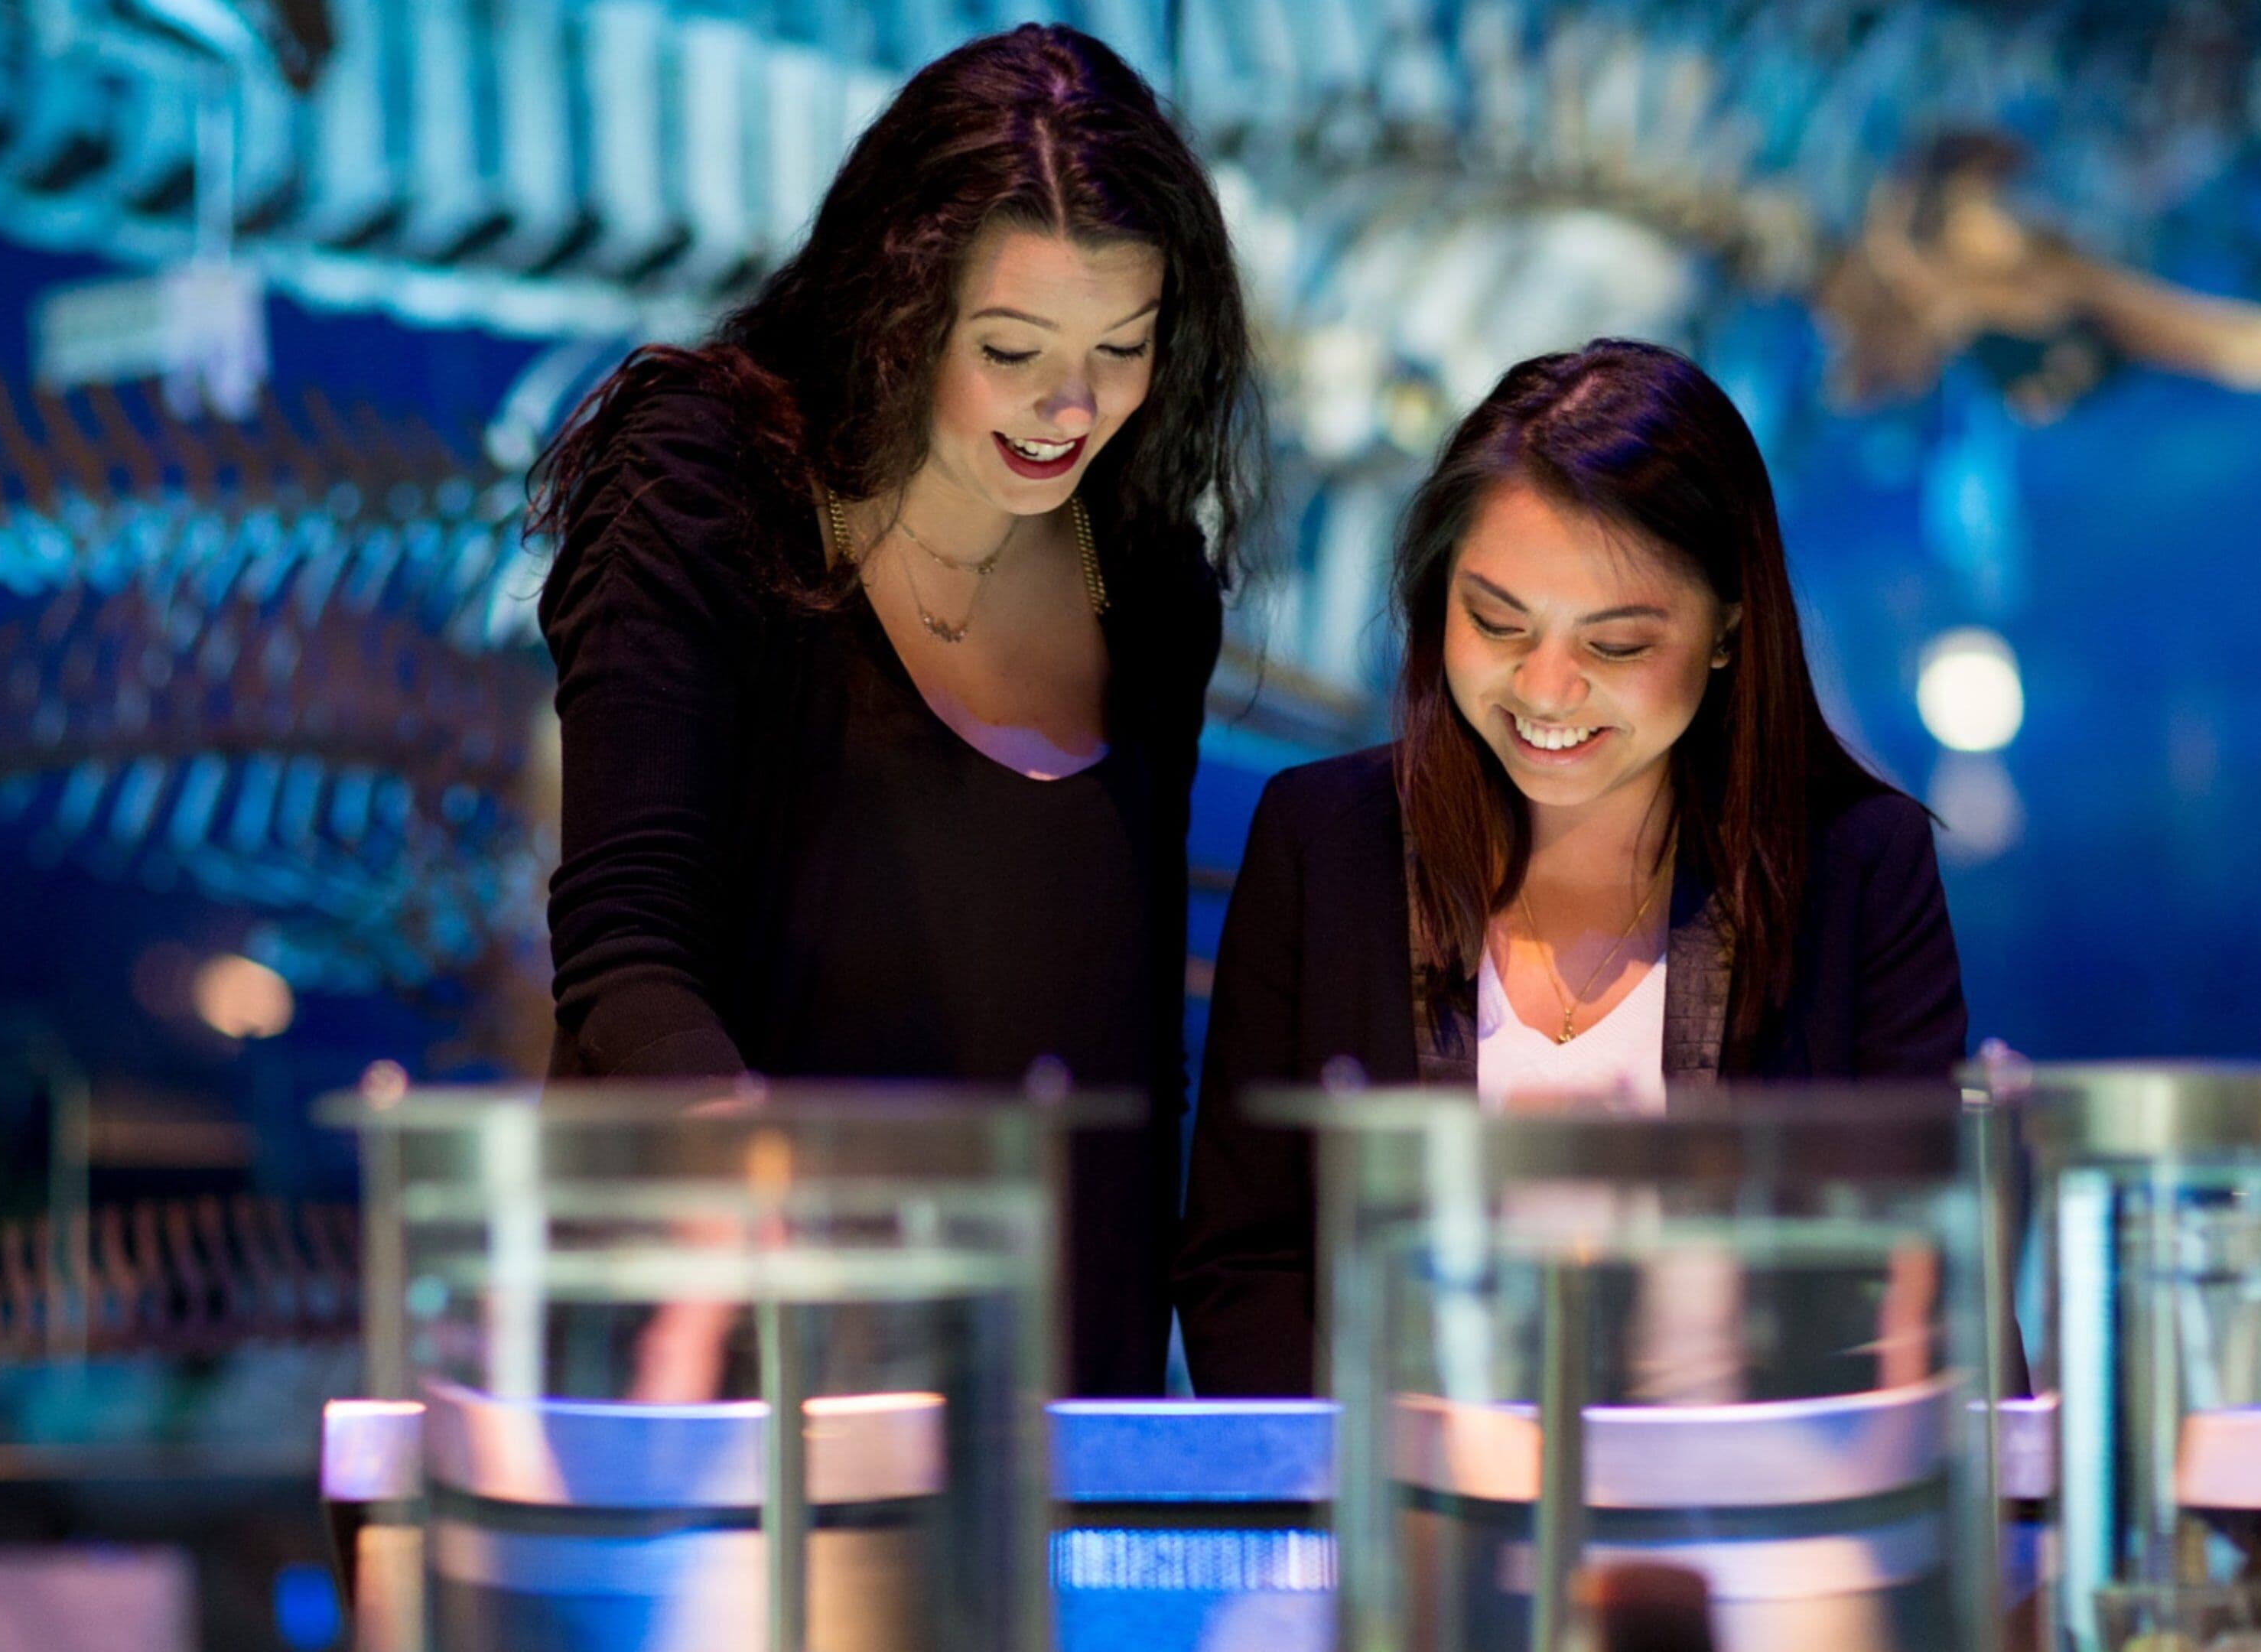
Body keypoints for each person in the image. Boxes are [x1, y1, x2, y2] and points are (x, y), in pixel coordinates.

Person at [529, 24, 1261, 1398]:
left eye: (1123, 346)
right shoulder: (711, 483)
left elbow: (1130, 1055)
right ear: (898, 309)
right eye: (1011, 346)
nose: (1070, 403)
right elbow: (626, 958)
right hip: (738, 1360)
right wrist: (765, 1207)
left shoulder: (1148, 579)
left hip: (1050, 1399)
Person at [1173, 338, 1967, 1397]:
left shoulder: (1857, 869)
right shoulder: (1324, 844)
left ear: (1730, 624)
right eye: (1496, 623)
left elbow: (1924, 1277)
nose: (1546, 691)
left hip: (1749, 1525)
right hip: (1403, 1525)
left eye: (1616, 646)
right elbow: (1248, 1262)